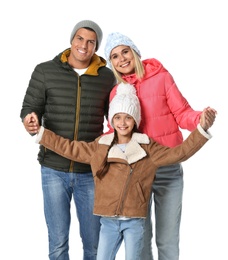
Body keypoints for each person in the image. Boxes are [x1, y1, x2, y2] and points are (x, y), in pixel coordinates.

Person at [35, 83, 216, 260]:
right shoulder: (100, 145)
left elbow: (180, 153)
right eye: (118, 117)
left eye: (128, 117)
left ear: (135, 120)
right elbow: (70, 148)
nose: (122, 122)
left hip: (134, 222)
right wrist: (42, 134)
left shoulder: (148, 147)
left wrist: (201, 130)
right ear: (112, 120)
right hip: (107, 222)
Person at [104, 32, 217, 260]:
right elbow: (115, 131)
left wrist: (199, 120)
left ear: (135, 52)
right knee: (140, 238)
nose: (121, 59)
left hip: (168, 169)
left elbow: (181, 112)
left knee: (167, 239)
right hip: (136, 173)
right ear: (112, 63)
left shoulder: (161, 77)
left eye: (125, 51)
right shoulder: (117, 91)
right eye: (114, 56)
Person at [20, 20, 116, 260]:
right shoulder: (44, 71)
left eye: (91, 42)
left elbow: (115, 119)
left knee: (94, 245)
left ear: (96, 47)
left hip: (90, 171)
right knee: (58, 243)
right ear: (72, 40)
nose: (84, 45)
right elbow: (30, 108)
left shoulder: (106, 77)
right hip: (53, 168)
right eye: (80, 38)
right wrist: (30, 120)